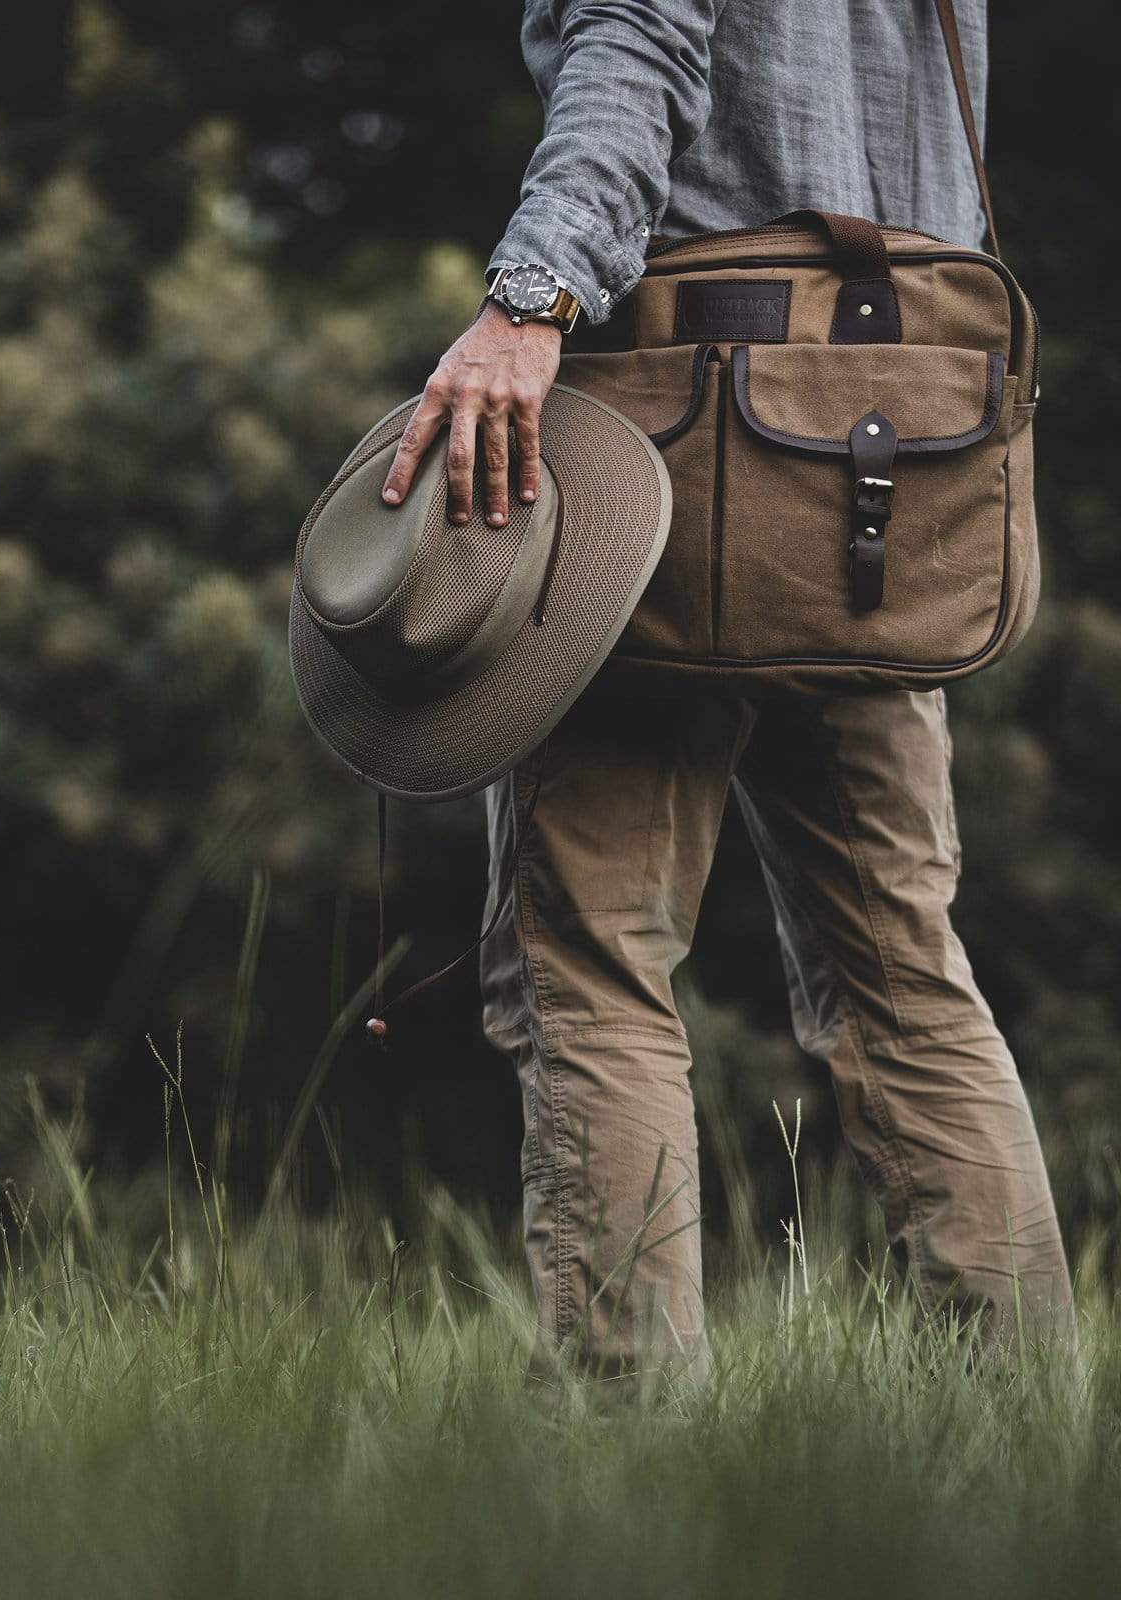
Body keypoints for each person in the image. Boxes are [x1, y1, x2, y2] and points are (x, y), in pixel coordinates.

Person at [379, 0, 1074, 1379]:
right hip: (884, 459)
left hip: (674, 461)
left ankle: (636, 1463)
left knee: (593, 962)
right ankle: (1027, 1447)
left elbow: (638, 40)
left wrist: (531, 300)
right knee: (905, 977)